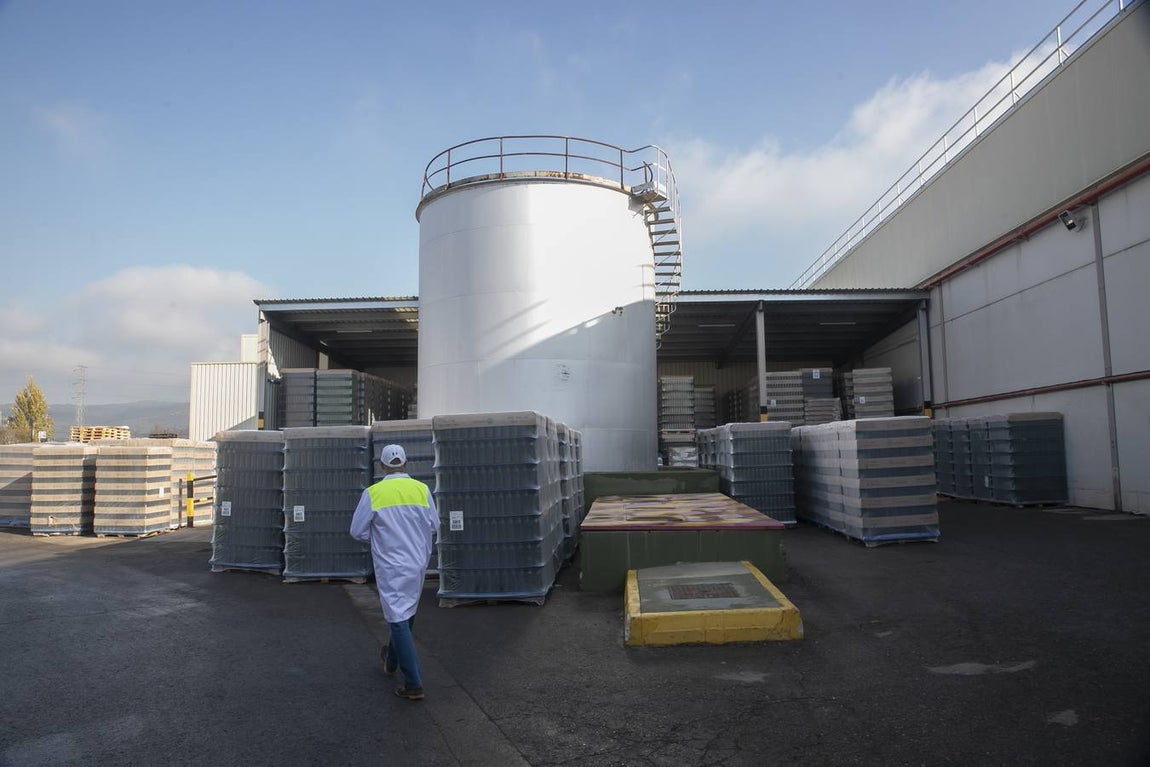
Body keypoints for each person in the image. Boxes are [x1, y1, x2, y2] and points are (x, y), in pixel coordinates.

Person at [350, 444, 439, 701]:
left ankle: (413, 682)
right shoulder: (421, 490)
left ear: (382, 465)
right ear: (406, 463)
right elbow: (434, 525)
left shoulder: (373, 493)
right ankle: (390, 660)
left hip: (391, 564)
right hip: (418, 562)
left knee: (398, 618)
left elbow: (357, 531)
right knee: (406, 611)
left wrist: (379, 538)